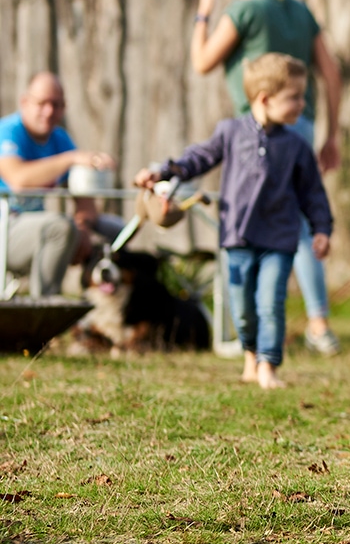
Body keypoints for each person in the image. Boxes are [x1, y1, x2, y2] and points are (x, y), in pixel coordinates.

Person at [134, 53, 332, 389]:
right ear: (265, 99)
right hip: (237, 238)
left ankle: (269, 366)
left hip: (278, 241)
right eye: (295, 97)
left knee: (270, 302)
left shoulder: (297, 147)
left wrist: (322, 229)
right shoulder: (230, 132)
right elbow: (198, 159)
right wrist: (165, 171)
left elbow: (313, 193)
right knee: (241, 307)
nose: (303, 103)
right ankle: (250, 356)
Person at [189, 0, 343, 355]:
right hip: (302, 124)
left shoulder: (243, 10)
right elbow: (331, 72)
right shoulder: (298, 9)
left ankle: (253, 325)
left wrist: (204, 11)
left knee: (253, 220)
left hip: (258, 132)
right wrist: (332, 134)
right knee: (300, 222)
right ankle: (318, 322)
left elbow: (202, 61)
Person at [0, 73, 117, 295]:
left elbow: (85, 201)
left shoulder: (60, 139)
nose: (49, 111)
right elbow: (19, 180)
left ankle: (105, 311)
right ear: (24, 102)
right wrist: (71, 159)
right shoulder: (7, 131)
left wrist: (83, 226)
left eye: (56, 104)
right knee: (60, 229)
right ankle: (43, 309)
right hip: (5, 228)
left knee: (118, 230)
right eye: (42, 103)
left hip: (33, 228)